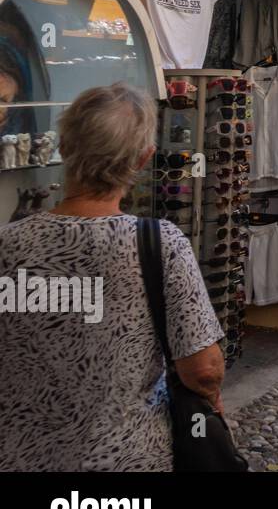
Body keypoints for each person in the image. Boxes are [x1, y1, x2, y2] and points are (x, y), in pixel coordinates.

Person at [0, 83, 225, 470]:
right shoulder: (160, 244)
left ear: (64, 146)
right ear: (144, 158)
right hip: (124, 460)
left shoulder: (7, 244)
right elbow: (202, 369)